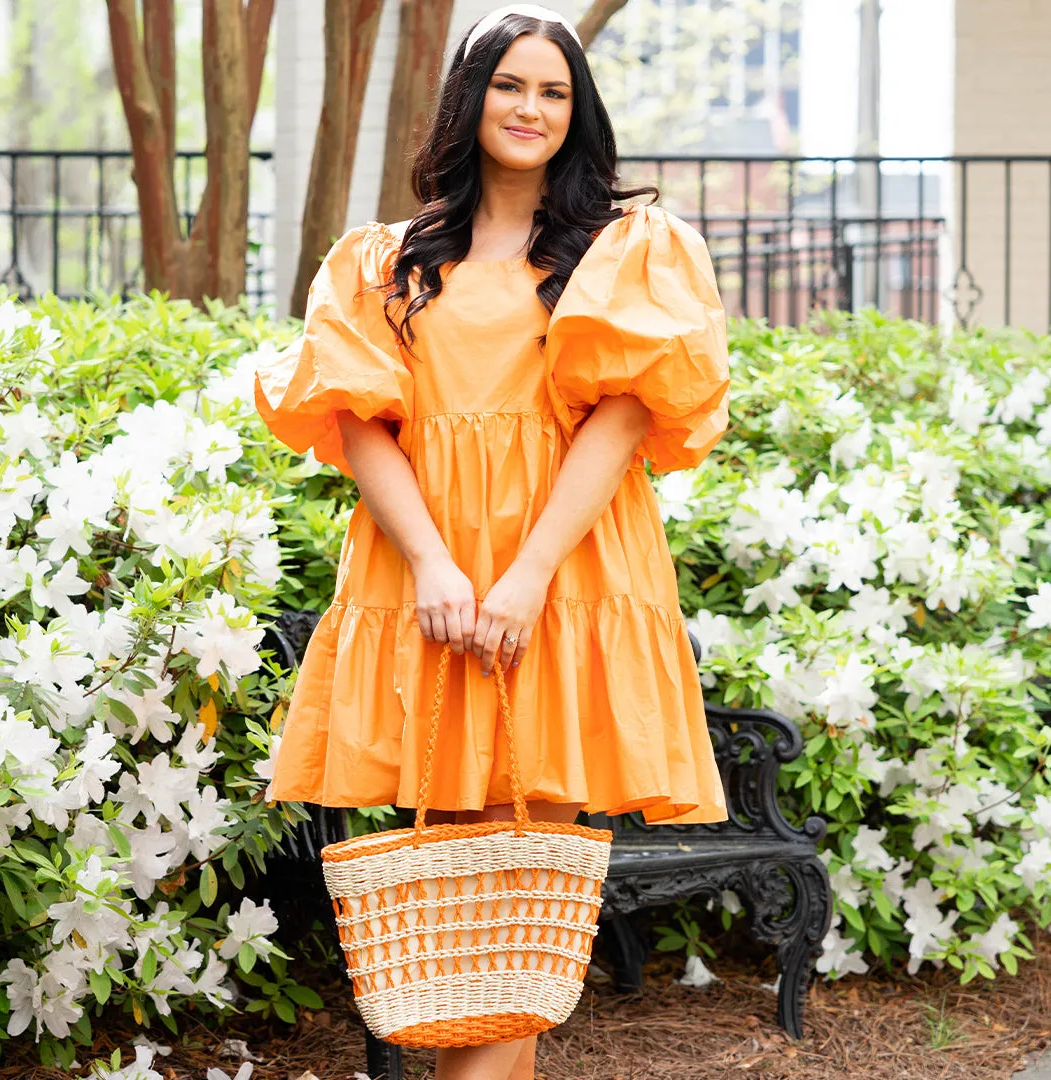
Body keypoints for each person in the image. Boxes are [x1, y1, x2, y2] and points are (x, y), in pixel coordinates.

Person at [254, 4, 731, 1078]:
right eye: (511, 85)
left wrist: (522, 576)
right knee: (469, 911)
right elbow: (355, 419)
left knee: (518, 900)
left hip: (561, 573)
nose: (532, 108)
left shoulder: (626, 246)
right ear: (470, 101)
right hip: (429, 577)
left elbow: (622, 424)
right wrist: (432, 561)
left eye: (555, 91)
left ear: (579, 111)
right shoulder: (382, 259)